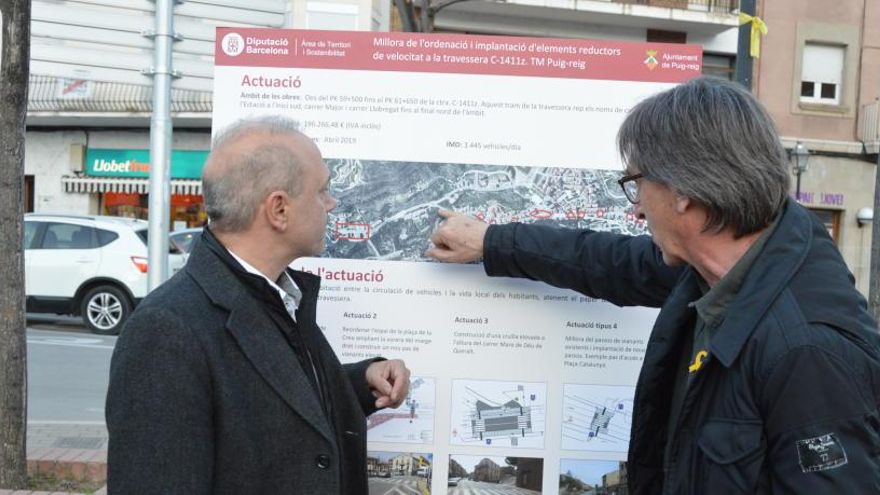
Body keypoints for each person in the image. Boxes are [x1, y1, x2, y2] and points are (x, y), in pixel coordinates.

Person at [427, 76, 880, 494]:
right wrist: (492, 242)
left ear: (683, 191)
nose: (637, 208)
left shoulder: (807, 352)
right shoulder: (721, 264)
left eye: (636, 182)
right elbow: (611, 264)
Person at [106, 116, 410, 494]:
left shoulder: (276, 294)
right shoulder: (166, 331)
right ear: (278, 210)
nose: (331, 204)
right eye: (322, 191)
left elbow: (267, 401)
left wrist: (360, 382)